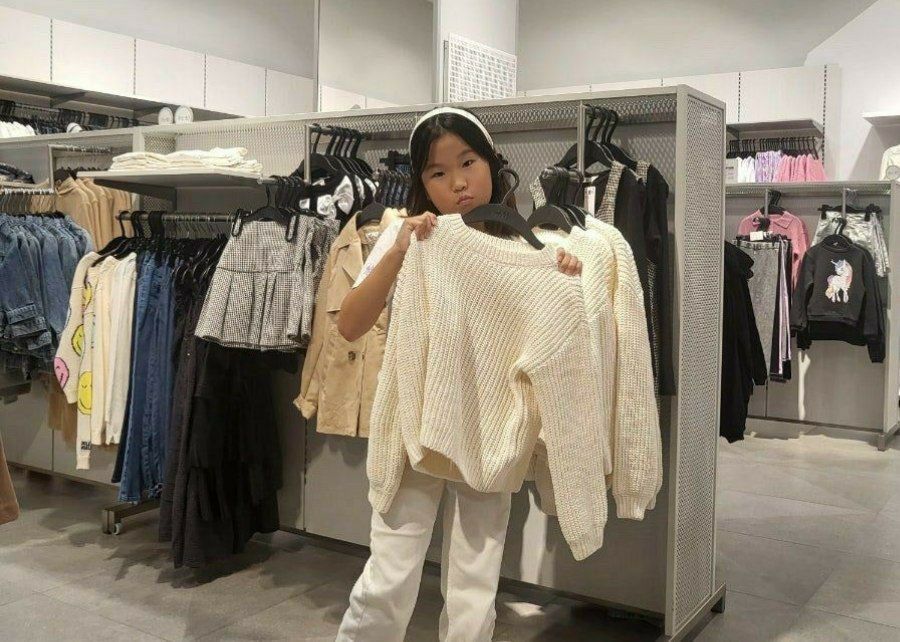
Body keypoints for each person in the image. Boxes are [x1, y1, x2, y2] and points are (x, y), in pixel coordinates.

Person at [334, 106, 582, 642]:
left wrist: (563, 273)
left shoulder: (523, 246)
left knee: (475, 581)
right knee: (390, 572)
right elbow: (350, 324)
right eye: (438, 173)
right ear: (422, 183)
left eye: (468, 163)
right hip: (413, 421)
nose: (458, 183)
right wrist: (398, 250)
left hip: (490, 426)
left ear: (492, 162)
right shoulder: (409, 236)